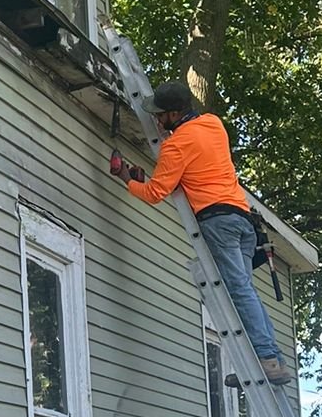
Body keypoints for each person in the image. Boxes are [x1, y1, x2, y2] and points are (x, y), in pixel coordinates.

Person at [110, 82, 294, 386]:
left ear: (174, 114)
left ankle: (266, 358)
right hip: (242, 220)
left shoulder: (176, 145)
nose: (156, 120)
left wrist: (127, 180)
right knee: (245, 290)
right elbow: (197, 162)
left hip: (217, 221)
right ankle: (272, 358)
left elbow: (156, 193)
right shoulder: (213, 124)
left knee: (239, 290)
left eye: (160, 115)